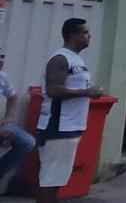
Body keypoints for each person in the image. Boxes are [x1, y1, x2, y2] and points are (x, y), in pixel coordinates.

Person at [36, 18, 104, 203]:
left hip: (71, 127)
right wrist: (86, 92)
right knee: (49, 179)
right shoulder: (60, 58)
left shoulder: (77, 59)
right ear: (72, 35)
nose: (89, 36)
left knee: (57, 179)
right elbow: (53, 90)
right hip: (58, 126)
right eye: (85, 32)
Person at [0, 50, 35, 182]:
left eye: (2, 57)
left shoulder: (2, 77)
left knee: (27, 142)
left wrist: (9, 119)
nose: (1, 61)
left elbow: (13, 97)